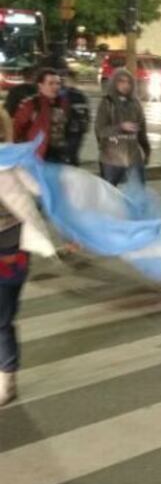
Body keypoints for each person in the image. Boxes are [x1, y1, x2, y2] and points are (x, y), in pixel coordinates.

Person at [0, 109, 28, 406]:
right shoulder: (16, 161)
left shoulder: (12, 163)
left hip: (9, 253)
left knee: (2, 317)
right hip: (14, 251)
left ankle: (7, 377)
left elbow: (42, 195)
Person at [94, 69, 150, 186]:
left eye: (128, 82)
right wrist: (121, 127)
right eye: (121, 81)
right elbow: (100, 130)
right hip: (111, 159)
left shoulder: (135, 103)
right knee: (110, 192)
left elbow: (142, 131)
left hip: (133, 157)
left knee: (138, 191)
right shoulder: (106, 103)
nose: (125, 85)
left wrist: (146, 150)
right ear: (114, 83)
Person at [12, 68, 73, 163]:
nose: (56, 87)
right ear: (40, 85)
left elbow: (68, 127)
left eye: (58, 83)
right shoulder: (30, 104)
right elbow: (17, 130)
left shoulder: (64, 103)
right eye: (51, 83)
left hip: (60, 155)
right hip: (37, 155)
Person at [60, 70, 91, 167]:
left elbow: (85, 112)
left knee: (70, 154)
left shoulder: (63, 94)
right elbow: (86, 113)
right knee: (72, 154)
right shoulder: (80, 95)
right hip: (75, 128)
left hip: (71, 128)